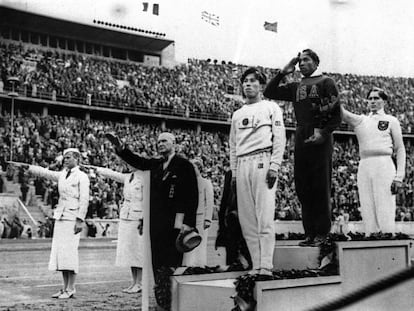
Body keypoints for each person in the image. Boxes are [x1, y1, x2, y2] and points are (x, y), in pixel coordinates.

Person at [105, 132, 198, 307]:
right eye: (158, 142)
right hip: (156, 223)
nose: (160, 144)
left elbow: (192, 196)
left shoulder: (184, 165)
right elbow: (137, 161)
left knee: (173, 262)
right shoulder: (155, 164)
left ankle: (175, 301)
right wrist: (120, 148)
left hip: (176, 224)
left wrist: (188, 223)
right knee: (157, 263)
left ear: (173, 143)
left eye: (164, 141)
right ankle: (162, 300)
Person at [264, 49, 341, 247]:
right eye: (299, 61)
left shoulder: (326, 82)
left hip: (320, 134)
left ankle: (322, 233)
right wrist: (283, 72)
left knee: (320, 184)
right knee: (303, 186)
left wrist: (322, 133)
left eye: (306, 60)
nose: (301, 64)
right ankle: (309, 232)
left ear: (316, 62)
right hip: (300, 133)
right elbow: (269, 92)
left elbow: (335, 114)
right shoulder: (296, 85)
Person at [9, 148, 89, 299]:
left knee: (70, 253)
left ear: (77, 159)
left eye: (68, 157)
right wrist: (28, 167)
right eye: (64, 158)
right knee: (61, 253)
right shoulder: (63, 175)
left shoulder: (82, 177)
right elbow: (46, 173)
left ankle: (71, 288)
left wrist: (80, 219)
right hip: (61, 216)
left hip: (73, 217)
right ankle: (65, 287)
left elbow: (84, 200)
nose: (65, 160)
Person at [229, 67, 286, 275]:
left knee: (264, 215)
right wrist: (234, 173)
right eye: (245, 81)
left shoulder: (271, 107)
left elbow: (280, 138)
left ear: (261, 86)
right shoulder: (237, 114)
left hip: (263, 160)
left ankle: (266, 265)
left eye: (253, 81)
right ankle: (256, 264)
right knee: (247, 219)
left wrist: (275, 166)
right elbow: (233, 146)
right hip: (243, 163)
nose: (248, 84)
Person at [340, 88, 406, 234]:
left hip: (384, 163)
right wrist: (332, 96)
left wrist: (399, 176)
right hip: (365, 164)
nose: (373, 101)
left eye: (376, 98)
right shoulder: (361, 120)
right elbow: (344, 114)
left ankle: (388, 237)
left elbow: (400, 149)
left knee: (384, 205)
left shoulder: (391, 121)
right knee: (367, 206)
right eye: (370, 98)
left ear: (384, 101)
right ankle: (370, 237)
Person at [86, 164, 144, 293]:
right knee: (130, 251)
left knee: (137, 250)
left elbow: (147, 200)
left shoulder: (145, 177)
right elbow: (113, 174)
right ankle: (134, 282)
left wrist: (143, 218)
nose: (129, 165)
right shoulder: (128, 177)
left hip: (138, 216)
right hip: (126, 215)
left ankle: (139, 283)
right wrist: (97, 169)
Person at [182, 158, 214, 267]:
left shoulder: (206, 183)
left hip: (201, 218)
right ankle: (188, 265)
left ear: (199, 168)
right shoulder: (187, 184)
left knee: (200, 242)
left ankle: (199, 265)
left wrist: (208, 219)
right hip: (189, 219)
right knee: (187, 242)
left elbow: (209, 202)